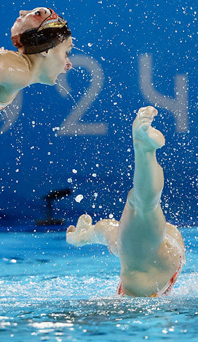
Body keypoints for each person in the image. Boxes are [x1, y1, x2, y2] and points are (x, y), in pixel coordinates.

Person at [66, 106, 185, 297]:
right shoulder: (127, 255)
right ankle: (144, 148)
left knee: (140, 207)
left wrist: (85, 236)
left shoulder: (128, 258)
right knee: (138, 207)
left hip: (157, 262)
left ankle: (143, 148)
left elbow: (107, 231)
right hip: (154, 261)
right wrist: (85, 236)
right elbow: (107, 230)